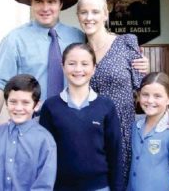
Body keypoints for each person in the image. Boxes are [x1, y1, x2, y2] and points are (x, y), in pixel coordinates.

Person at [0, 0, 148, 150]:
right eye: (39, 1)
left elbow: (104, 53)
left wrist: (138, 61)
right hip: (33, 126)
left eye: (51, 1)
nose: (45, 8)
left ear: (60, 4)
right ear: (31, 3)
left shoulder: (77, 36)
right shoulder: (14, 40)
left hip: (74, 127)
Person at [76, 0, 169, 184]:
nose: (89, 17)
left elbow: (146, 89)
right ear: (78, 16)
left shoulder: (126, 43)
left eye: (95, 12)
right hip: (90, 135)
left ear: (106, 14)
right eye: (83, 12)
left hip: (123, 133)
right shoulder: (79, 52)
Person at [40, 43, 124, 191]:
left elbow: (115, 152)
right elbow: (43, 153)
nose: (78, 69)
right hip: (60, 187)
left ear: (94, 68)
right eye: (72, 63)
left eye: (85, 64)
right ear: (63, 66)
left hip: (100, 187)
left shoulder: (106, 106)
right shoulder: (50, 107)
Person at [0, 74, 57, 191]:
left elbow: (43, 185)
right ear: (6, 103)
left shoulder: (45, 141)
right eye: (13, 102)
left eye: (25, 102)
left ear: (36, 105)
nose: (19, 108)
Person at [127, 72, 169, 191]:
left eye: (157, 96)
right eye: (145, 95)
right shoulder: (135, 125)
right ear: (139, 96)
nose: (150, 100)